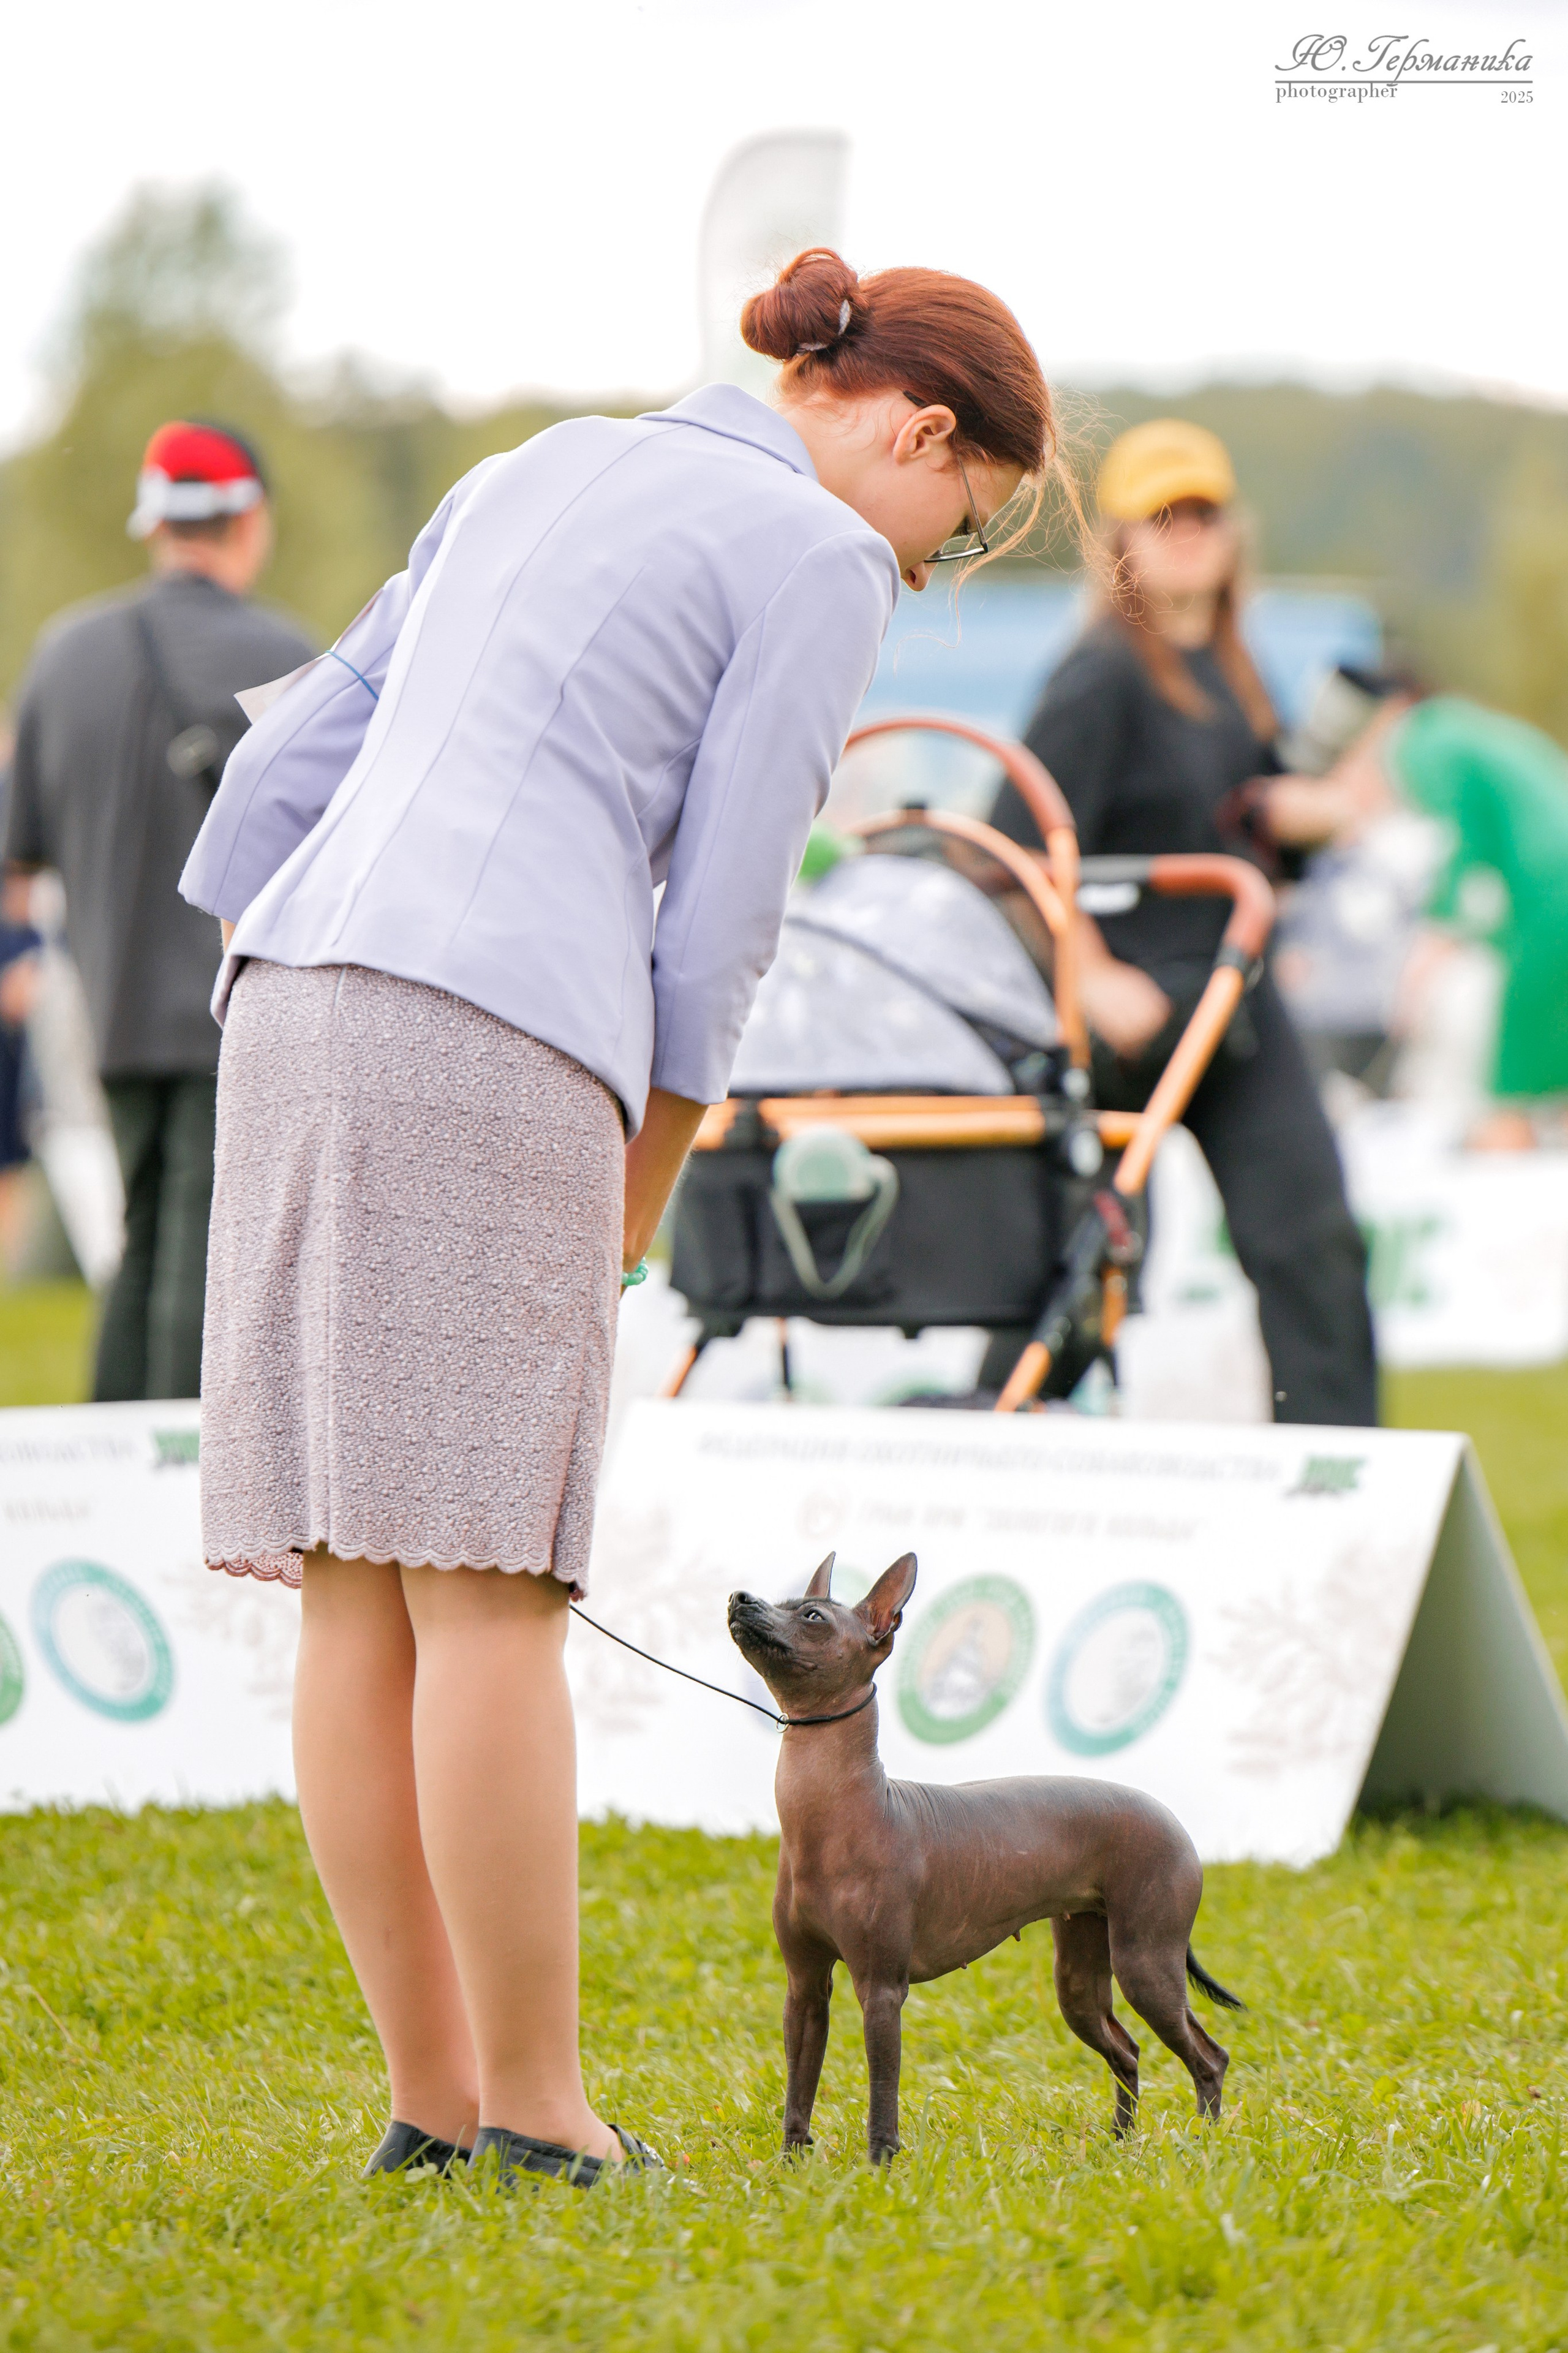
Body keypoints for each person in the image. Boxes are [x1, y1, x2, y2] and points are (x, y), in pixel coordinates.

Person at [178, 247, 1064, 2187]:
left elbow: (284, 756)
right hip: (493, 1016)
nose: (921, 570)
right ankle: (540, 2109)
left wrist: (274, 942)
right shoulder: (817, 556)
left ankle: (431, 2099)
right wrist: (644, 1181)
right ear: (917, 430)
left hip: (299, 977)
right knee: (489, 1582)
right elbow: (729, 907)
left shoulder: (533, 462)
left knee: (355, 1575)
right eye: (956, 529)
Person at [989, 418, 1377, 1426]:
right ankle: (993, 1451)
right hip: (1125, 1017)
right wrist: (1089, 976)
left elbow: (1249, 843)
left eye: (1201, 513)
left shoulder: (1237, 677)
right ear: (1119, 538)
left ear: (1232, 530)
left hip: (1231, 1003)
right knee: (1087, 1270)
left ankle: (1343, 1483)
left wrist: (1297, 819)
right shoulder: (1100, 675)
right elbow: (1012, 851)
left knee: (1313, 1243)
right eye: (1161, 518)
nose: (1186, 534)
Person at [2, 422, 312, 1397]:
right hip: (246, 1012)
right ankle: (183, 1486)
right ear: (249, 517)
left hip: (114, 1014)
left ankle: (112, 1482)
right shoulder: (287, 656)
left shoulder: (63, 654)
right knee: (209, 1255)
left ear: (155, 519)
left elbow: (21, 856)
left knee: (138, 1244)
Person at [1267, 668, 1568, 1146]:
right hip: (1545, 900)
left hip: (1550, 908)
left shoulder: (1422, 742)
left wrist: (1422, 965)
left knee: (1507, 1095)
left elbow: (1459, 855)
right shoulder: (1463, 728)